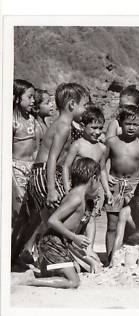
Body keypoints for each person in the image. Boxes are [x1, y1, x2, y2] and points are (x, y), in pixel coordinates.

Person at [18, 83, 89, 263]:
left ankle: (36, 258)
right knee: (60, 218)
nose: (86, 109)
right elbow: (52, 158)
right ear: (72, 104)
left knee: (46, 220)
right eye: (85, 105)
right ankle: (53, 258)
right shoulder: (63, 126)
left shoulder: (64, 124)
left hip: (42, 173)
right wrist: (51, 188)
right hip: (45, 174)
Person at [25, 157, 102, 288]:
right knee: (74, 282)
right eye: (99, 180)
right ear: (93, 178)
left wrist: (88, 259)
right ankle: (29, 282)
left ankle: (42, 272)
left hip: (58, 243)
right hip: (52, 244)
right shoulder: (76, 198)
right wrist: (75, 237)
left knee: (76, 270)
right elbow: (52, 220)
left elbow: (67, 238)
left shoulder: (78, 195)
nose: (99, 185)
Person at [62, 106, 113, 263]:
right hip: (77, 189)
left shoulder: (102, 148)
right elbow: (66, 166)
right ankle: (68, 247)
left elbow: (102, 170)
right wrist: (66, 188)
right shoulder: (77, 145)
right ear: (83, 126)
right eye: (93, 127)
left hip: (93, 191)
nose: (97, 132)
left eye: (100, 128)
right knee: (74, 218)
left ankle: (89, 248)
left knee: (91, 219)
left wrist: (107, 191)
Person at [104, 105, 139, 261]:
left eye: (135, 124)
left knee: (130, 223)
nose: (131, 127)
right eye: (128, 124)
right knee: (112, 223)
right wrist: (105, 178)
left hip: (134, 186)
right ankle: (110, 258)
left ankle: (125, 257)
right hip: (114, 185)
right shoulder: (111, 142)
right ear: (120, 123)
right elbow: (101, 164)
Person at [12, 79, 37, 225]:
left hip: (31, 169)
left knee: (31, 215)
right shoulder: (11, 121)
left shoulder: (32, 119)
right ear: (16, 97)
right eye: (29, 97)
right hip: (16, 169)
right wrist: (15, 186)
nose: (33, 100)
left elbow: (34, 148)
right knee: (17, 216)